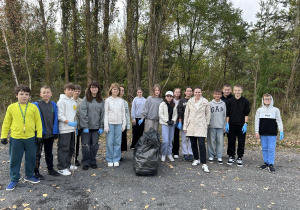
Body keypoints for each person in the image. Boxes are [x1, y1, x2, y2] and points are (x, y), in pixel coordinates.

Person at [1, 85, 42, 191]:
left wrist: (39, 135)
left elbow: (38, 122)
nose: (24, 96)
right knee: (15, 159)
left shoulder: (33, 107)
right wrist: (3, 136)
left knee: (31, 158)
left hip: (30, 138)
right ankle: (14, 179)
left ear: (29, 96)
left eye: (27, 94)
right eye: (21, 94)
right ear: (16, 95)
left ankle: (29, 175)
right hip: (16, 138)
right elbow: (6, 123)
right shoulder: (12, 107)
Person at [32, 86, 60, 180]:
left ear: (51, 94)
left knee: (49, 152)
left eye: (48, 92)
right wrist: (37, 133)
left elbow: (56, 118)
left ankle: (50, 169)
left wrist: (56, 131)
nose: (46, 94)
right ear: (40, 94)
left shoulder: (53, 105)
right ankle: (35, 171)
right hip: (40, 134)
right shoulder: (36, 104)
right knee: (37, 153)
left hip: (50, 133)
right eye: (44, 92)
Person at [183, 87, 210, 173]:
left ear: (201, 93)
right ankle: (196, 159)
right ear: (193, 93)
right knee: (193, 144)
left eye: (199, 92)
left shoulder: (205, 102)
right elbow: (186, 114)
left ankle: (204, 163)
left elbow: (208, 114)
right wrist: (185, 126)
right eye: (196, 92)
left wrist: (206, 124)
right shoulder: (190, 102)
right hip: (191, 126)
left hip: (201, 126)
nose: (197, 94)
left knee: (201, 145)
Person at [255, 94, 284, 173]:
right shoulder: (259, 110)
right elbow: (257, 121)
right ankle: (266, 163)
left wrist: (281, 131)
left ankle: (271, 164)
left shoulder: (276, 110)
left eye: (269, 99)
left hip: (272, 133)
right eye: (265, 99)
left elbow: (279, 120)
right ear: (263, 100)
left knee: (271, 148)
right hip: (263, 132)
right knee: (264, 148)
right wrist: (256, 131)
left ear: (271, 100)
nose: (267, 100)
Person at [79, 81, 105, 170]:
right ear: (89, 89)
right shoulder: (85, 100)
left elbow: (103, 114)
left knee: (94, 144)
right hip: (86, 127)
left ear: (98, 89)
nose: (94, 89)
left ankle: (93, 160)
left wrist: (102, 126)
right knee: (86, 145)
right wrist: (85, 126)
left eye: (96, 87)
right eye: (92, 87)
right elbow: (82, 113)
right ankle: (86, 161)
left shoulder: (101, 101)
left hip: (96, 127)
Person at [225, 85, 250, 167]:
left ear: (241, 91)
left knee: (241, 142)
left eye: (239, 90)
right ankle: (231, 156)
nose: (237, 92)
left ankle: (240, 157)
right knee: (231, 141)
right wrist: (227, 123)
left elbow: (246, 113)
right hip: (231, 124)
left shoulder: (245, 101)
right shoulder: (229, 101)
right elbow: (227, 113)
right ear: (233, 91)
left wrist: (245, 124)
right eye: (236, 90)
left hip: (241, 125)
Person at [57, 83, 78, 176]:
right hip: (64, 129)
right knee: (63, 148)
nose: (70, 91)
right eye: (68, 89)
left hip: (72, 129)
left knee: (71, 148)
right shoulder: (61, 101)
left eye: (72, 90)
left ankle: (68, 164)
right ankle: (61, 167)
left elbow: (74, 115)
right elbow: (60, 115)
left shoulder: (73, 102)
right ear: (64, 90)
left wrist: (75, 126)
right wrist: (67, 122)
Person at [104, 83, 126, 167]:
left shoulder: (121, 101)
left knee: (117, 142)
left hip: (119, 124)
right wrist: (106, 125)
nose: (116, 91)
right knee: (110, 142)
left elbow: (123, 113)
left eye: (117, 89)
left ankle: (116, 158)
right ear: (111, 90)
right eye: (114, 89)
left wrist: (124, 123)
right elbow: (105, 113)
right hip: (110, 123)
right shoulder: (107, 100)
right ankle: (109, 159)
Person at [207, 89, 226, 164]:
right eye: (216, 94)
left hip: (220, 126)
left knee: (220, 142)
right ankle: (211, 155)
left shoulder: (223, 104)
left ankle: (219, 156)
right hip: (212, 125)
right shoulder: (210, 104)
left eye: (219, 94)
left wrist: (224, 125)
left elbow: (224, 115)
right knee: (211, 141)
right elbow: (207, 115)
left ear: (221, 95)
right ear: (213, 95)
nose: (217, 96)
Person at [159, 91, 178, 162]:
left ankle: (169, 153)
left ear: (172, 97)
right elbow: (160, 114)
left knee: (170, 140)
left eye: (170, 96)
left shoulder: (175, 105)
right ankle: (163, 154)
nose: (169, 98)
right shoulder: (162, 104)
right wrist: (167, 121)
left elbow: (176, 114)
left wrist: (173, 120)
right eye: (167, 96)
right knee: (165, 141)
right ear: (165, 97)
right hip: (165, 124)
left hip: (172, 124)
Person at [177, 87, 193, 162]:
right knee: (184, 139)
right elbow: (179, 111)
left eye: (190, 91)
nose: (189, 92)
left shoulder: (194, 100)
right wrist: (180, 122)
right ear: (185, 92)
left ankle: (190, 152)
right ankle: (185, 153)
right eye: (187, 91)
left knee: (191, 139)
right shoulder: (182, 101)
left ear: (192, 92)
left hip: (192, 123)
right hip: (184, 123)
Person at [73, 84, 83, 166]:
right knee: (71, 143)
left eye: (78, 91)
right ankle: (71, 158)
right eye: (75, 91)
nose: (76, 92)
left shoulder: (82, 101)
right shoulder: (70, 100)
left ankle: (76, 158)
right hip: (71, 125)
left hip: (80, 125)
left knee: (77, 143)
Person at [120, 86, 131, 154]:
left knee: (123, 138)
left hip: (123, 123)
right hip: (115, 122)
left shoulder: (125, 102)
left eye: (123, 90)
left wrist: (128, 124)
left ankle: (120, 153)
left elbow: (127, 114)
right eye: (120, 90)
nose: (121, 92)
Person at [172, 88, 181, 159]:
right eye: (176, 92)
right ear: (173, 93)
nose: (177, 93)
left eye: (178, 92)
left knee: (176, 136)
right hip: (171, 121)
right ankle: (170, 150)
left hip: (178, 121)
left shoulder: (181, 101)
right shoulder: (171, 100)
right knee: (170, 137)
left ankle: (176, 152)